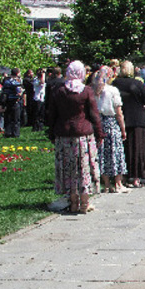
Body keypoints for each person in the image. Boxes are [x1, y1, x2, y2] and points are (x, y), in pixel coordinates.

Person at [46, 61, 102, 214]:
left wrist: (51, 133)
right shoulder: (86, 91)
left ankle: (73, 202)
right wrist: (99, 133)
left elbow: (52, 115)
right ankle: (85, 202)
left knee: (69, 169)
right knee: (83, 168)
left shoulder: (59, 90)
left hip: (64, 135)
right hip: (83, 134)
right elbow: (94, 114)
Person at [112, 61, 145, 187]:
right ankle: (136, 177)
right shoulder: (138, 83)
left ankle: (122, 176)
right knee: (138, 149)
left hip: (121, 118)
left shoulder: (115, 84)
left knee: (123, 149)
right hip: (137, 119)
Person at [93, 66, 127, 193]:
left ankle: (106, 184)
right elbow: (119, 112)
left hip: (99, 123)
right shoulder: (112, 90)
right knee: (115, 152)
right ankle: (118, 183)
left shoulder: (94, 90)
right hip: (111, 122)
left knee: (102, 154)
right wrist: (123, 129)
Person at [0, 68, 25, 137]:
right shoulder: (16, 82)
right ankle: (15, 133)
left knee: (8, 117)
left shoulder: (7, 81)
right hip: (15, 101)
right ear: (17, 73)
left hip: (8, 100)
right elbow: (19, 92)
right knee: (16, 118)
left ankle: (8, 132)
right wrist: (21, 92)